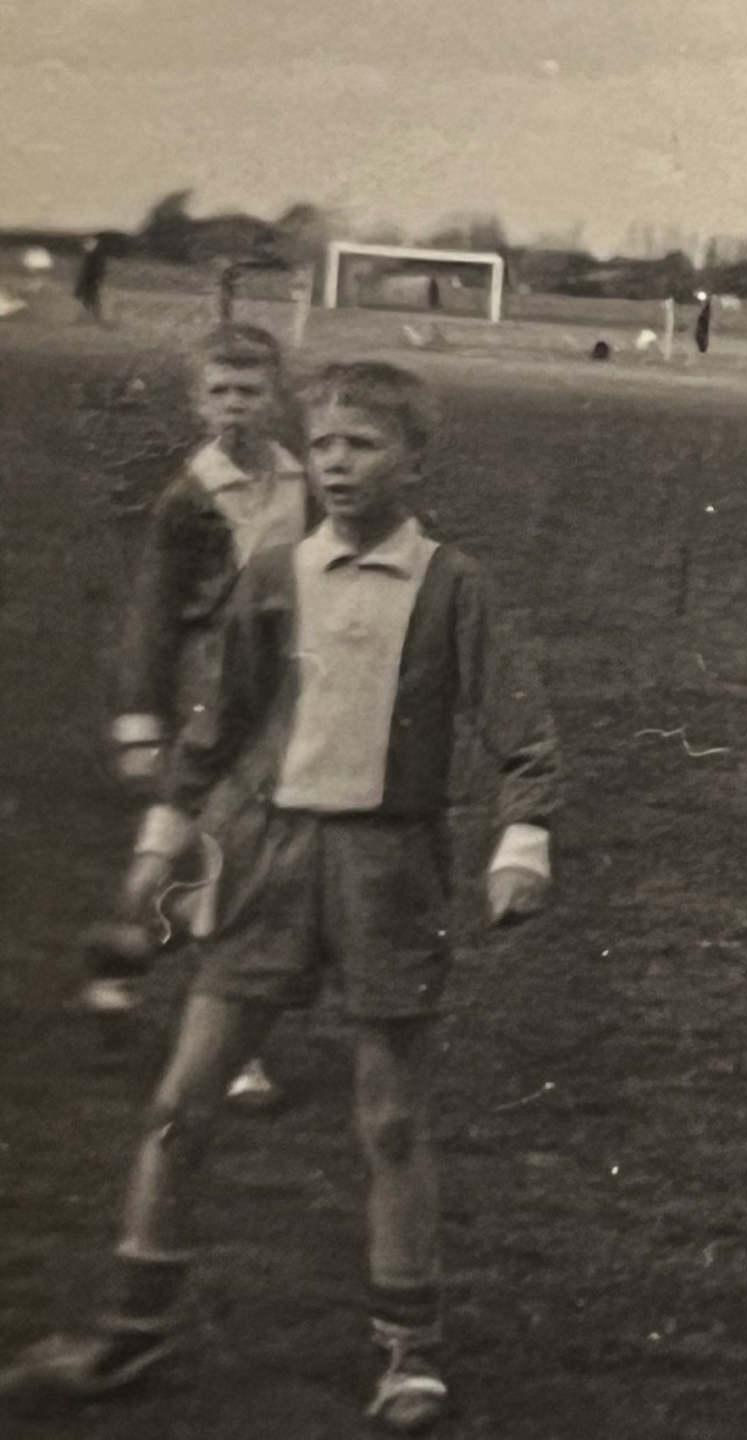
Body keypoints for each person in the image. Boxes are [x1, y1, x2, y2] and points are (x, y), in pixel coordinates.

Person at [0, 362, 563, 1431]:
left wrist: (520, 844)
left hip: (387, 872)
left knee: (390, 1119)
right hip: (264, 861)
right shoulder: (274, 573)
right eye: (325, 445)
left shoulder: (453, 586)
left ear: (412, 459)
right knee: (179, 1104)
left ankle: (408, 1352)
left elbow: (525, 735)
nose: (338, 465)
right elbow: (213, 735)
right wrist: (158, 852)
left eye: (363, 445)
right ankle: (134, 1330)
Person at [79, 324, 316, 1113]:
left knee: (241, 857)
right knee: (187, 839)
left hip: (282, 695)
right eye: (220, 392)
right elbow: (151, 613)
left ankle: (220, 1036)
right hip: (206, 693)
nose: (235, 408)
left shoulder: (297, 480)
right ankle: (126, 955)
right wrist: (141, 721)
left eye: (250, 392)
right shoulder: (189, 497)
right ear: (197, 402)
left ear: (277, 399)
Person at [74, 234, 110, 324]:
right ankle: (92, 317)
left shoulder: (95, 254)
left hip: (91, 278)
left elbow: (98, 268)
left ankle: (94, 317)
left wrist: (98, 278)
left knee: (91, 298)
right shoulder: (91, 254)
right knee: (89, 298)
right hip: (89, 278)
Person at [692, 291, 713, 355]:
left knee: (700, 334)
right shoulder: (705, 305)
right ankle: (703, 348)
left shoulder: (706, 306)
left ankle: (703, 349)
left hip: (704, 319)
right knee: (700, 334)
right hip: (703, 319)